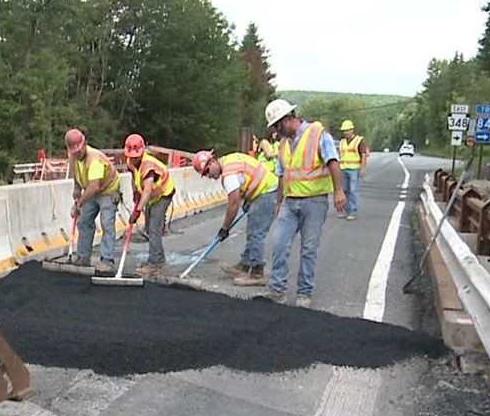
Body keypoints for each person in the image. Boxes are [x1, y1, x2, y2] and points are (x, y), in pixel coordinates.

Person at [259, 99, 346, 308]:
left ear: (287, 119)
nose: (276, 132)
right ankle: (277, 290)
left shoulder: (317, 134)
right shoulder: (283, 145)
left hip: (314, 202)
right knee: (279, 243)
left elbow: (332, 161)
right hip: (290, 203)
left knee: (308, 249)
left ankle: (304, 294)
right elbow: (282, 174)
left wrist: (339, 191)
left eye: (277, 127)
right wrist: (279, 201)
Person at [192, 149, 279, 286]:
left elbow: (233, 204)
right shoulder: (228, 160)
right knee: (252, 230)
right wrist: (248, 199)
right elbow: (246, 178)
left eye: (208, 171)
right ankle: (245, 265)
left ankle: (257, 273)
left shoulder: (228, 175)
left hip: (267, 192)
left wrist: (225, 228)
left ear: (213, 161)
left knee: (256, 233)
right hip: (263, 190)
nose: (209, 176)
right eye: (205, 174)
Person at [66, 128, 121, 274]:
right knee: (83, 221)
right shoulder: (73, 156)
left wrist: (79, 204)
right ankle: (83, 257)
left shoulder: (94, 159)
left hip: (107, 191)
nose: (77, 154)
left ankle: (107, 261)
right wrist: (76, 188)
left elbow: (94, 187)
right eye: (74, 152)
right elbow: (76, 172)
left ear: (84, 144)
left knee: (107, 224)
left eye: (78, 150)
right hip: (91, 191)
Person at [124, 133, 175, 278]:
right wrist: (135, 194)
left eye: (136, 155)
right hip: (152, 196)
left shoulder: (148, 165)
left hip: (164, 193)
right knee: (149, 227)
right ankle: (158, 256)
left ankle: (155, 262)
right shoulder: (130, 162)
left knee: (154, 227)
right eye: (131, 155)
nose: (133, 158)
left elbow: (147, 190)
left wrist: (137, 210)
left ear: (142, 151)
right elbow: (134, 178)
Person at [338, 119, 369, 220]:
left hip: (354, 169)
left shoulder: (359, 141)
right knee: (345, 190)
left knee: (353, 190)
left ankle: (352, 211)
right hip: (343, 168)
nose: (346, 132)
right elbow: (339, 155)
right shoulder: (342, 142)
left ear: (352, 130)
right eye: (344, 130)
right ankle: (346, 211)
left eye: (347, 130)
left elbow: (363, 155)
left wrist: (363, 168)